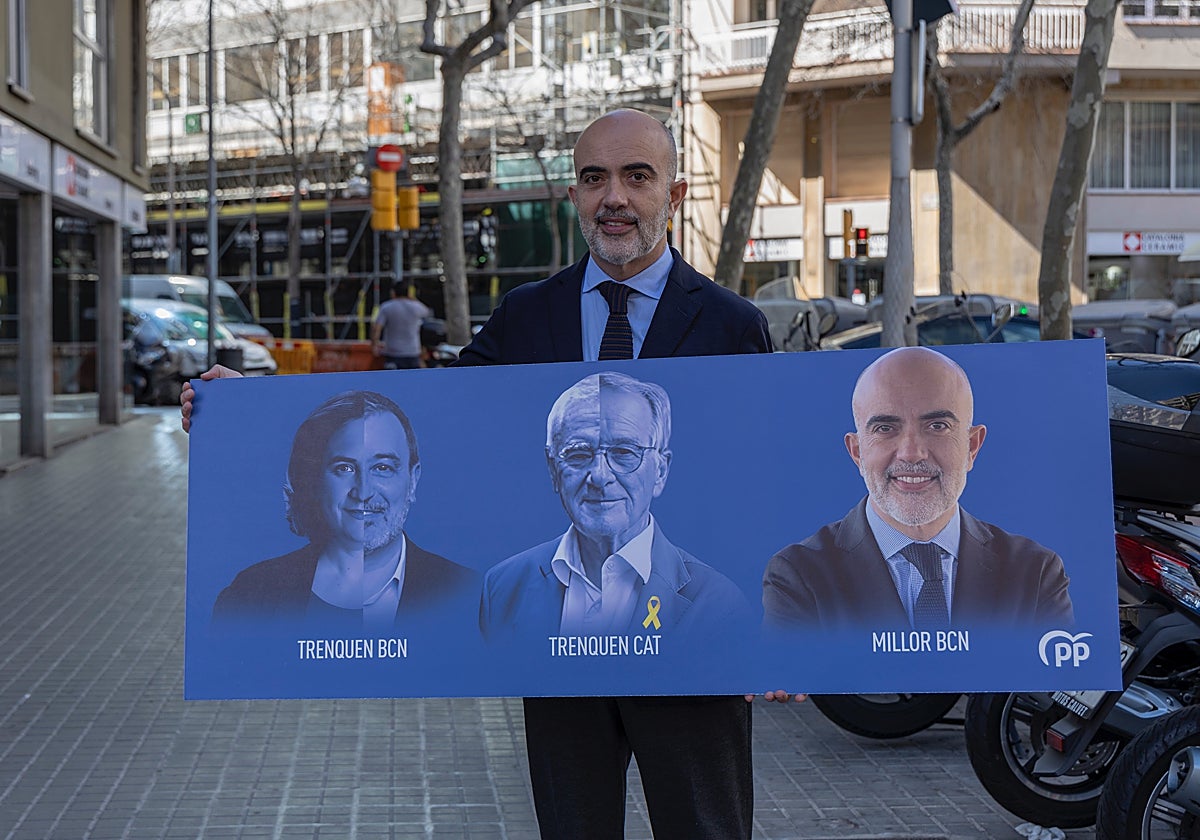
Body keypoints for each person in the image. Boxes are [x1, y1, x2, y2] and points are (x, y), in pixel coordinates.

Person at [452, 108, 784, 840]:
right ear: (573, 196)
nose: (615, 197)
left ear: (676, 193)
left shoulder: (733, 325)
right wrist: (248, 413)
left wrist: (771, 632)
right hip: (561, 643)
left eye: (638, 176)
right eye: (594, 178)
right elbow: (434, 417)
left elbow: (757, 483)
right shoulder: (523, 317)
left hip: (694, 641)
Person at [762, 346, 1075, 632]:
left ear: (972, 446)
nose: (911, 453)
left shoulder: (1035, 573)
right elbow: (790, 681)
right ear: (857, 452)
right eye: (885, 428)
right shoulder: (799, 575)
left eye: (937, 426)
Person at [480, 372, 748, 644]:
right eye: (578, 454)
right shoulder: (502, 589)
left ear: (660, 471)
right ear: (553, 470)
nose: (599, 476)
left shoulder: (717, 605)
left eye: (624, 453)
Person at [208, 389, 476, 633]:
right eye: (344, 468)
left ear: (413, 480)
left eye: (382, 467)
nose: (363, 491)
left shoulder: (471, 596)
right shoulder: (250, 595)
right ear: (314, 479)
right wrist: (231, 399)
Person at [371, 282, 431, 370]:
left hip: (392, 352)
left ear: (393, 292)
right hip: (412, 351)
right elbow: (427, 312)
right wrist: (412, 298)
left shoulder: (386, 307)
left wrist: (374, 345)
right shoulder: (416, 307)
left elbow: (377, 328)